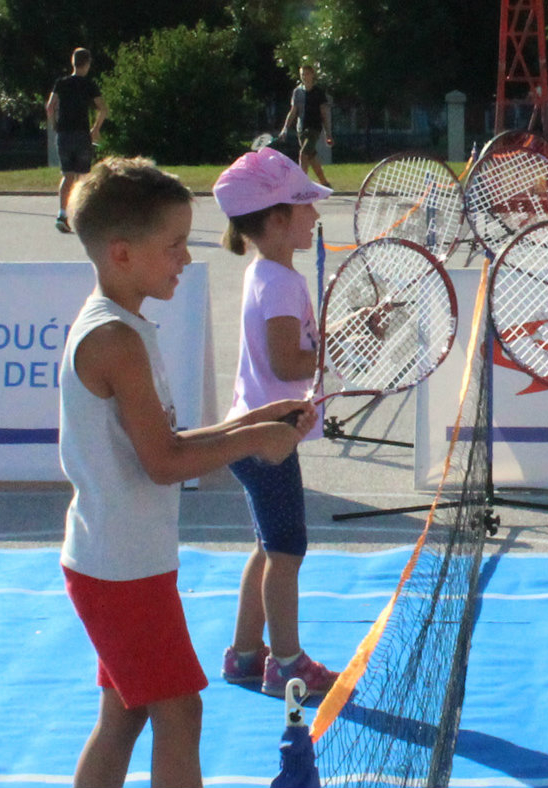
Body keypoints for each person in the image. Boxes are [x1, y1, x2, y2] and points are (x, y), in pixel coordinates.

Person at [58, 156, 316, 788]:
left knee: (125, 715)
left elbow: (163, 441)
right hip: (119, 569)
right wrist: (254, 438)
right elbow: (164, 462)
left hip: (122, 560)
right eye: (173, 246)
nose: (184, 259)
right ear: (121, 253)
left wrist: (253, 419)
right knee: (181, 712)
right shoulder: (114, 339)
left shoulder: (127, 329)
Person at [212, 147, 341, 699]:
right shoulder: (281, 282)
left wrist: (332, 341)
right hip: (268, 442)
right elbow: (287, 359)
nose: (314, 215)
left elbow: (287, 350)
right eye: (303, 206)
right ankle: (286, 665)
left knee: (267, 548)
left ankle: (245, 655)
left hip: (250, 434)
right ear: (276, 220)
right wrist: (338, 352)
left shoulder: (263, 271)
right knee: (286, 554)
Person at [45, 47, 108, 234]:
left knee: (67, 175)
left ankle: (62, 214)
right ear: (87, 63)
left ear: (73, 62)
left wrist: (55, 125)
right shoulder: (89, 85)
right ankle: (83, 216)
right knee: (83, 176)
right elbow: (102, 109)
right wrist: (95, 129)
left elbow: (50, 107)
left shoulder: (61, 83)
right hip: (82, 134)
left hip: (64, 134)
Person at [279, 65, 334, 188]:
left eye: (307, 74)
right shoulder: (297, 92)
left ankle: (301, 185)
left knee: (303, 154)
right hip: (301, 129)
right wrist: (285, 128)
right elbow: (293, 112)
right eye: (302, 74)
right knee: (311, 156)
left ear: (312, 75)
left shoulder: (318, 93)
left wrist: (328, 133)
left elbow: (324, 113)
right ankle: (325, 183)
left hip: (314, 128)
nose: (304, 76)